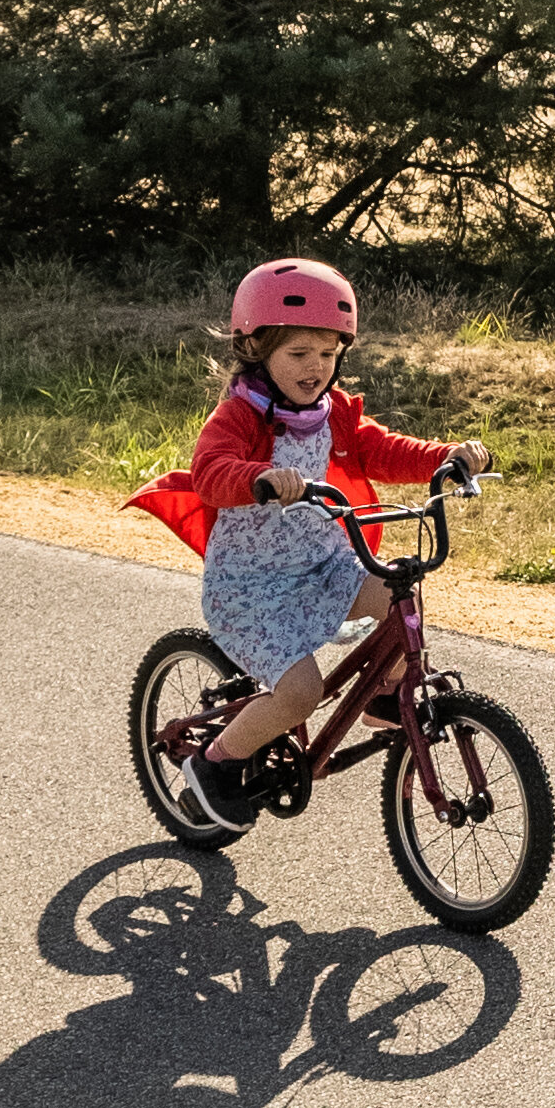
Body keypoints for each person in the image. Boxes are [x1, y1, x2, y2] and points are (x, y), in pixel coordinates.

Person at [149, 259, 486, 818]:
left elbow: (387, 449)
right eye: (299, 355)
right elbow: (211, 472)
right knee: (301, 693)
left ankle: (383, 695)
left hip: (324, 566)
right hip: (252, 589)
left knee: (400, 601)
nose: (316, 369)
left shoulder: (335, 415)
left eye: (328, 354)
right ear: (256, 348)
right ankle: (215, 761)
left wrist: (447, 455)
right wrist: (256, 478)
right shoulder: (238, 417)